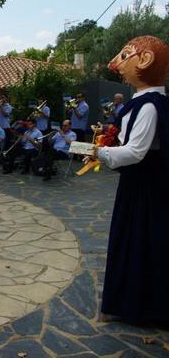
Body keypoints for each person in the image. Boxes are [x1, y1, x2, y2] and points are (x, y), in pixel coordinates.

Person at [92, 36, 169, 323]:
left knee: (140, 241)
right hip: (140, 185)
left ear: (145, 60)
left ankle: (141, 305)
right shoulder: (148, 102)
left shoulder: (149, 105)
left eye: (125, 56)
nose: (115, 64)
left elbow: (137, 151)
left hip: (145, 188)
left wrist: (102, 154)